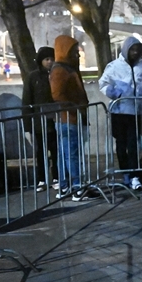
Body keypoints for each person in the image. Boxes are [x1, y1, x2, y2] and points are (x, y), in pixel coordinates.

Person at [99, 36, 142, 191]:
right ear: (126, 50)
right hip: (119, 111)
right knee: (121, 144)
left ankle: (134, 175)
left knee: (133, 144)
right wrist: (116, 94)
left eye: (138, 50)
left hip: (136, 112)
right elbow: (103, 83)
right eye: (132, 50)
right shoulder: (114, 66)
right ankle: (125, 173)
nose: (135, 53)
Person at [50, 35, 96, 200]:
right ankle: (77, 188)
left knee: (65, 154)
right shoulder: (60, 70)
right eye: (74, 51)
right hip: (69, 119)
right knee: (71, 154)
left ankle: (65, 187)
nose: (77, 54)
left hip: (69, 118)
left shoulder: (66, 68)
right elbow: (57, 95)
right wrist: (74, 109)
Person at [22, 46, 58, 192]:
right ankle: (42, 179)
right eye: (46, 59)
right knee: (41, 152)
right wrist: (27, 127)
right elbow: (27, 101)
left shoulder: (57, 75)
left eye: (52, 59)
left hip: (55, 121)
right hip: (39, 123)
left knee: (56, 151)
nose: (50, 62)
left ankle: (56, 177)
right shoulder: (33, 77)